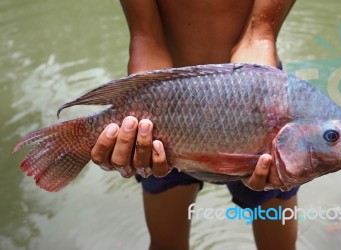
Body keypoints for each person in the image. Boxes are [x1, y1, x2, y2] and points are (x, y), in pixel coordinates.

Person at [91, 1, 298, 249]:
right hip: (167, 105)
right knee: (166, 244)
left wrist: (257, 117)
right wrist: (139, 119)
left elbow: (258, 34)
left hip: (255, 98)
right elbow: (148, 38)